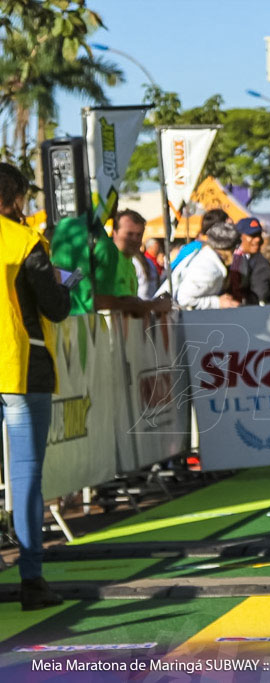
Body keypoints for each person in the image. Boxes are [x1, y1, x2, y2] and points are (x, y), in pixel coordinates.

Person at [0, 162, 71, 610]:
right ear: (18, 197)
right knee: (25, 478)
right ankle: (32, 580)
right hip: (22, 370)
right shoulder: (26, 241)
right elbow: (58, 307)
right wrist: (67, 277)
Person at [94, 211, 170, 316]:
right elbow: (102, 301)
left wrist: (152, 304)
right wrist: (153, 305)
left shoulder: (131, 261)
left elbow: (129, 301)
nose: (135, 240)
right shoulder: (108, 255)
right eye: (129, 234)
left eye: (139, 235)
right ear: (114, 232)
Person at [169, 222, 242, 310]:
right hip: (171, 319)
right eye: (235, 248)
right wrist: (218, 302)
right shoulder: (208, 269)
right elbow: (183, 300)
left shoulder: (205, 258)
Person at [228, 217, 270, 305]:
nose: (258, 239)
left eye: (259, 235)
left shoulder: (261, 261)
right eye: (252, 235)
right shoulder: (233, 259)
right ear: (239, 237)